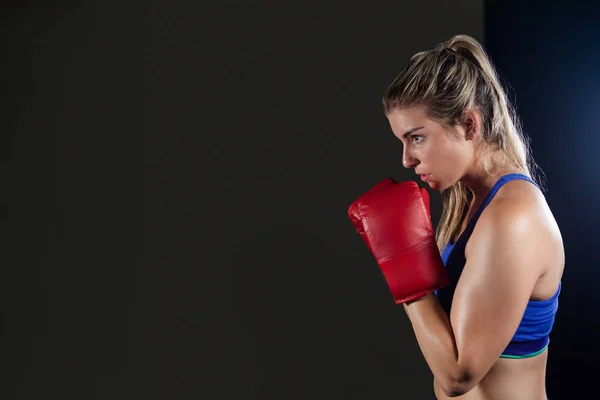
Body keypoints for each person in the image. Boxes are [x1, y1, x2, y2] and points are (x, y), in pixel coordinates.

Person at [348, 34, 563, 399]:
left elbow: (459, 375)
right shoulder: (471, 206)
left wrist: (404, 270)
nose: (406, 159)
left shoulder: (513, 216)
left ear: (469, 125)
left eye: (417, 138)